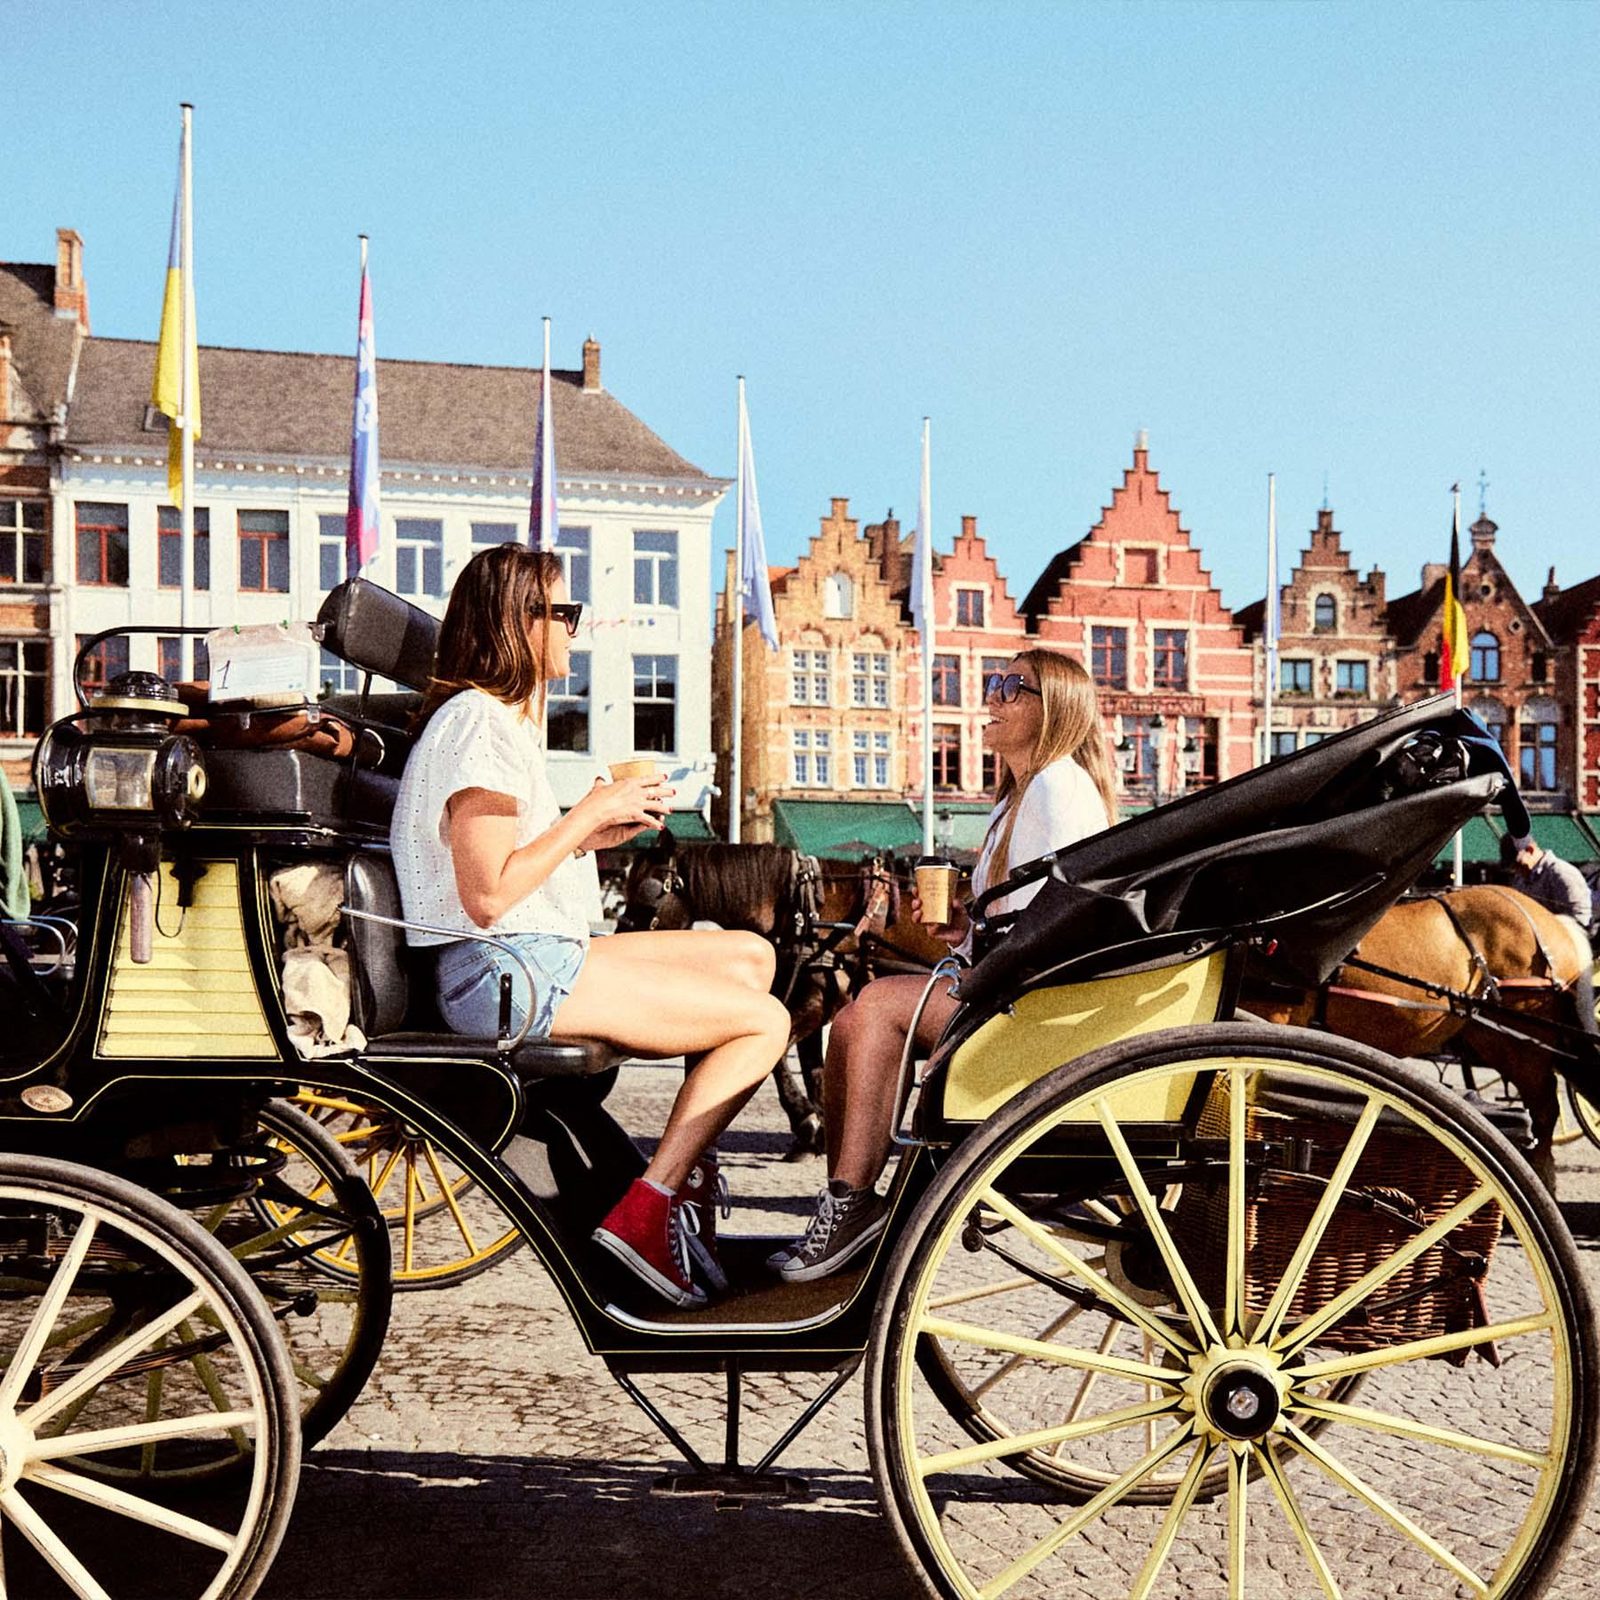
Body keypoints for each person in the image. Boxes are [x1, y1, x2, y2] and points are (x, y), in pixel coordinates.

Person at [390, 543, 791, 1310]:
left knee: (748, 956)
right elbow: (486, 895)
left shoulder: (492, 723)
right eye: (564, 613)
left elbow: (511, 870)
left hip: (524, 954)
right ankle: (652, 1207)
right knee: (763, 1025)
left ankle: (688, 1168)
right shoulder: (478, 725)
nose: (577, 628)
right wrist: (586, 815)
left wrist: (597, 833)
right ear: (519, 623)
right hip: (499, 970)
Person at [769, 649, 1119, 1282]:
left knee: (873, 1008)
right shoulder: (1015, 800)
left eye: (1013, 686)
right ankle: (846, 1206)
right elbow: (1021, 917)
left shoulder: (1057, 787)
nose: (993, 695)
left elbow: (1060, 926)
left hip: (1034, 1003)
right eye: (996, 681)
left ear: (1054, 710)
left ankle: (850, 1209)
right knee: (851, 1019)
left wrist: (976, 962)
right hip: (1007, 985)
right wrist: (965, 931)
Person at [1505, 835, 1593, 933]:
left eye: (1518, 864)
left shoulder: (1562, 873)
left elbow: (1580, 921)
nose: (1516, 871)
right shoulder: (1519, 880)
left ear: (1530, 850)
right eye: (1512, 868)